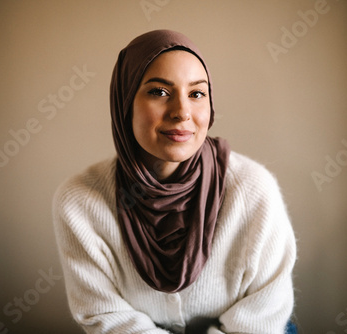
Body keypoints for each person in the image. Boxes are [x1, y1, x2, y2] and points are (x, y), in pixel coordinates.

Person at [53, 29, 297, 334]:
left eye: (196, 93)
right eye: (159, 92)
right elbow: (106, 317)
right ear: (124, 102)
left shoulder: (252, 190)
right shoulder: (81, 202)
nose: (182, 112)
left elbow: (263, 316)